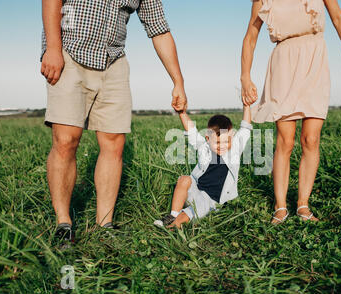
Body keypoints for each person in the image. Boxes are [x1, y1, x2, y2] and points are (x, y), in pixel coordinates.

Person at [40, 0, 187, 244]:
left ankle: (104, 224)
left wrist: (178, 81)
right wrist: (53, 48)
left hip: (113, 61)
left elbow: (159, 29)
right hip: (70, 53)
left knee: (114, 143)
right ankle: (63, 223)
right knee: (66, 140)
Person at [241, 0, 341, 224]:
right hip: (284, 62)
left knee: (311, 139)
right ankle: (280, 206)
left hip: (315, 58)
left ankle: (303, 205)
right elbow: (250, 37)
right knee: (285, 141)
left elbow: (338, 17)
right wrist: (245, 77)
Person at [154, 106, 252, 229]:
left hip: (211, 200)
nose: (222, 146)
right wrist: (182, 113)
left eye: (226, 142)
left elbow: (245, 128)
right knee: (184, 179)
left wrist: (247, 106)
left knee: (188, 213)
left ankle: (174, 226)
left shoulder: (234, 150)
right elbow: (192, 132)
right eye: (217, 142)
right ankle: (173, 215)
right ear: (207, 138)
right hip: (195, 190)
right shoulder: (204, 148)